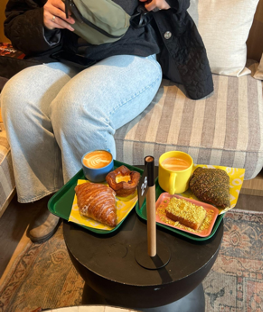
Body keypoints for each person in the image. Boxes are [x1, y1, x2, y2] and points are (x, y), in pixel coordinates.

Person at [1, 0, 213, 244]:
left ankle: (101, 202)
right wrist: (40, 20)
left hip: (131, 53)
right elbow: (15, 20)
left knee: (75, 107)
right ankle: (57, 194)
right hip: (65, 56)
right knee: (16, 96)